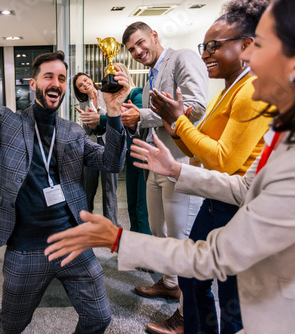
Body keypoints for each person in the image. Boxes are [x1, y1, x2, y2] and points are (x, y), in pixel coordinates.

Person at [45, 2, 295, 333]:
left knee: (224, 292)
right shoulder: (278, 128)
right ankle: (184, 308)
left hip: (272, 304)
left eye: (259, 45)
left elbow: (203, 132)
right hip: (186, 172)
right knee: (194, 273)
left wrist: (167, 125)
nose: (249, 58)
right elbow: (242, 189)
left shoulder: (236, 89)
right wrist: (173, 165)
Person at [0, 31, 130, 334]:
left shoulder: (73, 132)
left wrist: (115, 111)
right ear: (33, 83)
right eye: (48, 77)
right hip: (26, 249)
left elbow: (112, 162)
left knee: (99, 318)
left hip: (74, 244)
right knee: (12, 325)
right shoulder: (8, 123)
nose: (56, 84)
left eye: (62, 78)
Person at [148, 1, 270, 332]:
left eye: (213, 46)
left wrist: (179, 122)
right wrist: (174, 125)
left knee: (232, 297)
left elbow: (223, 159)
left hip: (237, 209)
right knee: (190, 273)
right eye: (204, 47)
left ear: (246, 44)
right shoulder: (231, 88)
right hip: (216, 203)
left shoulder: (251, 91)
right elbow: (203, 149)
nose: (205, 55)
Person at [121, 21, 208, 312]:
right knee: (159, 231)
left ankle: (187, 314)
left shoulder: (182, 57)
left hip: (180, 162)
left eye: (140, 43)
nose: (137, 51)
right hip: (155, 166)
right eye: (131, 49)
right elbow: (149, 123)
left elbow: (196, 107)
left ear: (154, 35)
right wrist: (133, 123)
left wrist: (141, 116)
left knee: (180, 236)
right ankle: (170, 284)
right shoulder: (149, 77)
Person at [73, 72, 119, 225]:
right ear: (79, 90)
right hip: (92, 146)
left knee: (109, 186)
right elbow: (87, 131)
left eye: (85, 80)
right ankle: (85, 221)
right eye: (80, 85)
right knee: (88, 184)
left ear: (91, 79)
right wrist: (88, 123)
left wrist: (98, 111)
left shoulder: (106, 94)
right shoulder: (84, 104)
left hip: (109, 144)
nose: (85, 84)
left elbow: (113, 118)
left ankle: (111, 224)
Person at [115, 63, 151, 235]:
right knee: (132, 205)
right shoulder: (115, 98)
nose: (114, 78)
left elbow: (133, 118)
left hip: (143, 155)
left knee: (142, 207)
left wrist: (101, 118)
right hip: (130, 155)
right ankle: (136, 246)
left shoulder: (135, 93)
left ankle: (146, 251)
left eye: (117, 74)